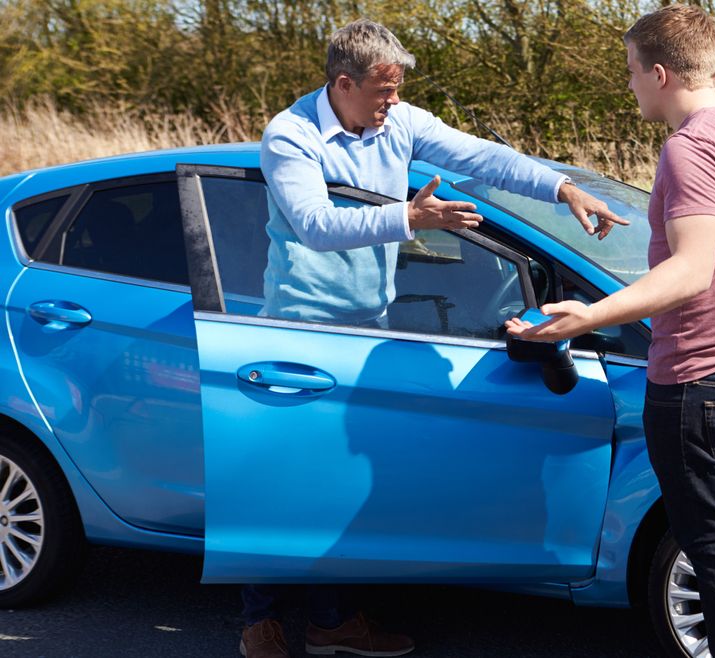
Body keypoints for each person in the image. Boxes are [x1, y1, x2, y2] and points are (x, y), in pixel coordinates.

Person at [240, 18, 626, 658]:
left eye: (397, 89)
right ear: (344, 84)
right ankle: (261, 619)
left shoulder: (400, 122)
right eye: (384, 90)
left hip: (369, 327)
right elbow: (314, 224)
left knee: (345, 482)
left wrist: (563, 189)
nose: (394, 101)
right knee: (288, 478)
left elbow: (482, 156)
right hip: (299, 330)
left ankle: (332, 621)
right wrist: (410, 217)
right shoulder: (291, 134)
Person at [505, 5, 715, 657]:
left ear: (662, 73)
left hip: (701, 376)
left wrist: (589, 314)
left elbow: (691, 271)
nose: (629, 84)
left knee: (713, 542)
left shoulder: (689, 148)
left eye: (632, 70)